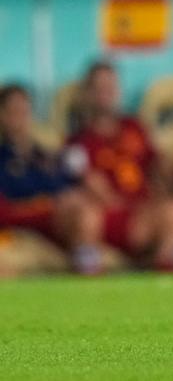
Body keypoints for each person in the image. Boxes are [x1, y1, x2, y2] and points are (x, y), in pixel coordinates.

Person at [66, 61, 173, 268]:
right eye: (99, 88)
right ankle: (89, 269)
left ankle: (166, 267)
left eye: (110, 87)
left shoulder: (134, 128)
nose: (106, 93)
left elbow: (158, 166)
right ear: (87, 94)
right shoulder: (77, 141)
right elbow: (84, 180)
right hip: (107, 215)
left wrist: (167, 180)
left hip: (143, 211)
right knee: (85, 215)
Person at [0, 84, 102, 274]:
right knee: (80, 212)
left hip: (61, 217)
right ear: (2, 116)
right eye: (14, 111)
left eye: (24, 110)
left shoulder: (44, 155)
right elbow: (6, 211)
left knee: (85, 208)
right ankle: (88, 272)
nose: (20, 117)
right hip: (31, 219)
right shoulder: (3, 159)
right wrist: (47, 205)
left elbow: (64, 185)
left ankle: (88, 271)